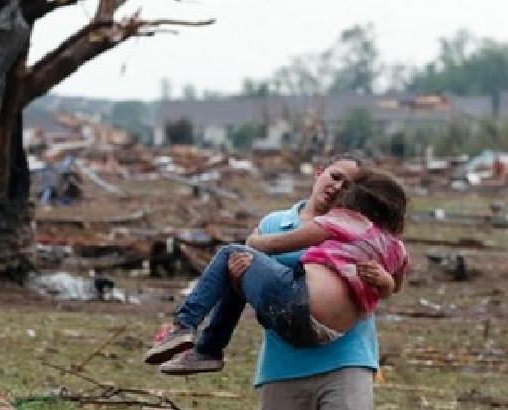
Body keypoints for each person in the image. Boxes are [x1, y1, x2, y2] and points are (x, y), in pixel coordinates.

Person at [145, 156, 396, 409]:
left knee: (231, 253)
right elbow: (261, 290)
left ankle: (195, 338)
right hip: (285, 364)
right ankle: (202, 347)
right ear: (319, 172)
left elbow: (390, 283)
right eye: (335, 176)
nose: (338, 187)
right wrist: (236, 277)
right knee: (233, 260)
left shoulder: (363, 229)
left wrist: (385, 280)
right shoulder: (274, 224)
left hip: (345, 360)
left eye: (348, 185)